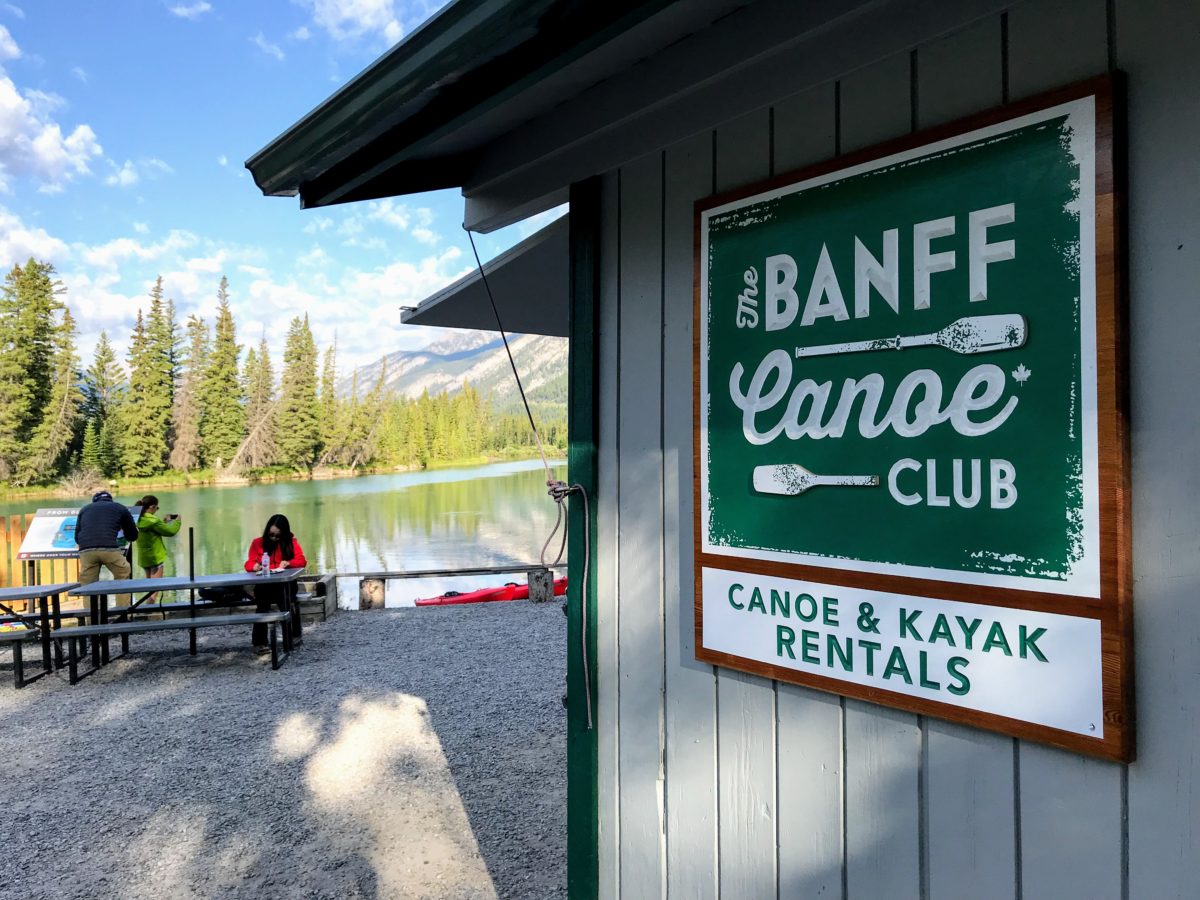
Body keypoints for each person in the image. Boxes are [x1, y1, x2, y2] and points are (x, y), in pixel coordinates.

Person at [243, 514, 307, 651]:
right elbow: (248, 563)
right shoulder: (257, 543)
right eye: (271, 535)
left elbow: (302, 561)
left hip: (286, 584)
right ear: (267, 531)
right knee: (262, 605)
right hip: (265, 585)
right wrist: (253, 566)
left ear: (283, 535)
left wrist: (289, 563)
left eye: (277, 536)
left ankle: (291, 637)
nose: (273, 538)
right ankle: (259, 642)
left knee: (288, 602)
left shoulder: (291, 542)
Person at [75, 491, 139, 585]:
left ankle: (88, 599)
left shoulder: (84, 509)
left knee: (87, 583)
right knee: (123, 573)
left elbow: (77, 537)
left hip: (87, 551)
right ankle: (122, 600)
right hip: (109, 549)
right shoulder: (120, 507)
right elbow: (132, 534)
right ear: (110, 500)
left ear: (94, 501)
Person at [133, 495, 181, 603]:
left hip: (144, 557)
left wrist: (163, 522)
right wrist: (177, 521)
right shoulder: (153, 521)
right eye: (156, 508)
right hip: (155, 557)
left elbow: (153, 532)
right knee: (154, 590)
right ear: (152, 507)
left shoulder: (136, 518)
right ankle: (148, 612)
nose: (156, 510)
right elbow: (170, 532)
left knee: (150, 588)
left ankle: (147, 609)